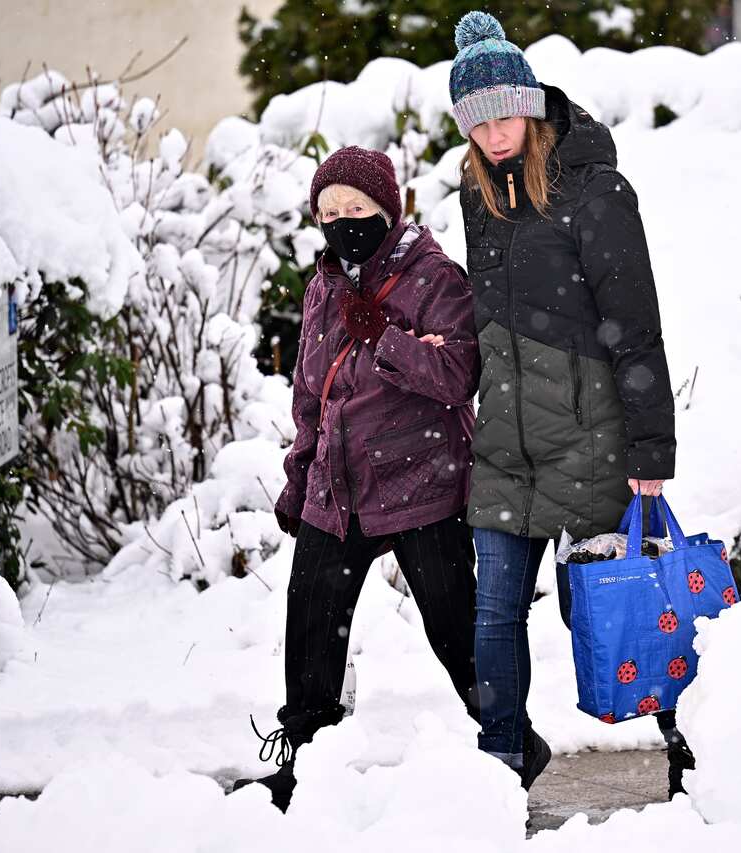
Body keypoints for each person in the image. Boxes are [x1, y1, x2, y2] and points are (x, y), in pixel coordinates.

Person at [448, 12, 694, 797]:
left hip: (590, 441)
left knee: (618, 608)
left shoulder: (594, 190)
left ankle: (692, 742)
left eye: (503, 113)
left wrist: (651, 452)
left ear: (532, 105)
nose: (492, 133)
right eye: (475, 120)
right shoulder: (478, 194)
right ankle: (504, 764)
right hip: (506, 445)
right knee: (492, 618)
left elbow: (635, 323)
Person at [236, 146, 481, 812]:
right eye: (330, 211)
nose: (343, 222)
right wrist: (298, 477)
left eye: (358, 209)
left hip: (419, 482)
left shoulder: (432, 278)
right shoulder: (323, 282)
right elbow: (312, 392)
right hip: (336, 489)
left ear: (387, 209)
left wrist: (386, 337)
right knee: (311, 623)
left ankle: (508, 739)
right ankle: (307, 762)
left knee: (458, 628)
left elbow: (460, 375)